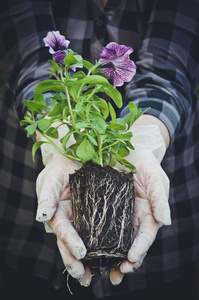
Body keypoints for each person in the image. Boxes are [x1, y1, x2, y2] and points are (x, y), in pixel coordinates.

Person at [0, 0, 199, 299]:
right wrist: (58, 145)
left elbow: (169, 68)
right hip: (23, 223)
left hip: (166, 244)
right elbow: (32, 59)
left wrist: (145, 140)